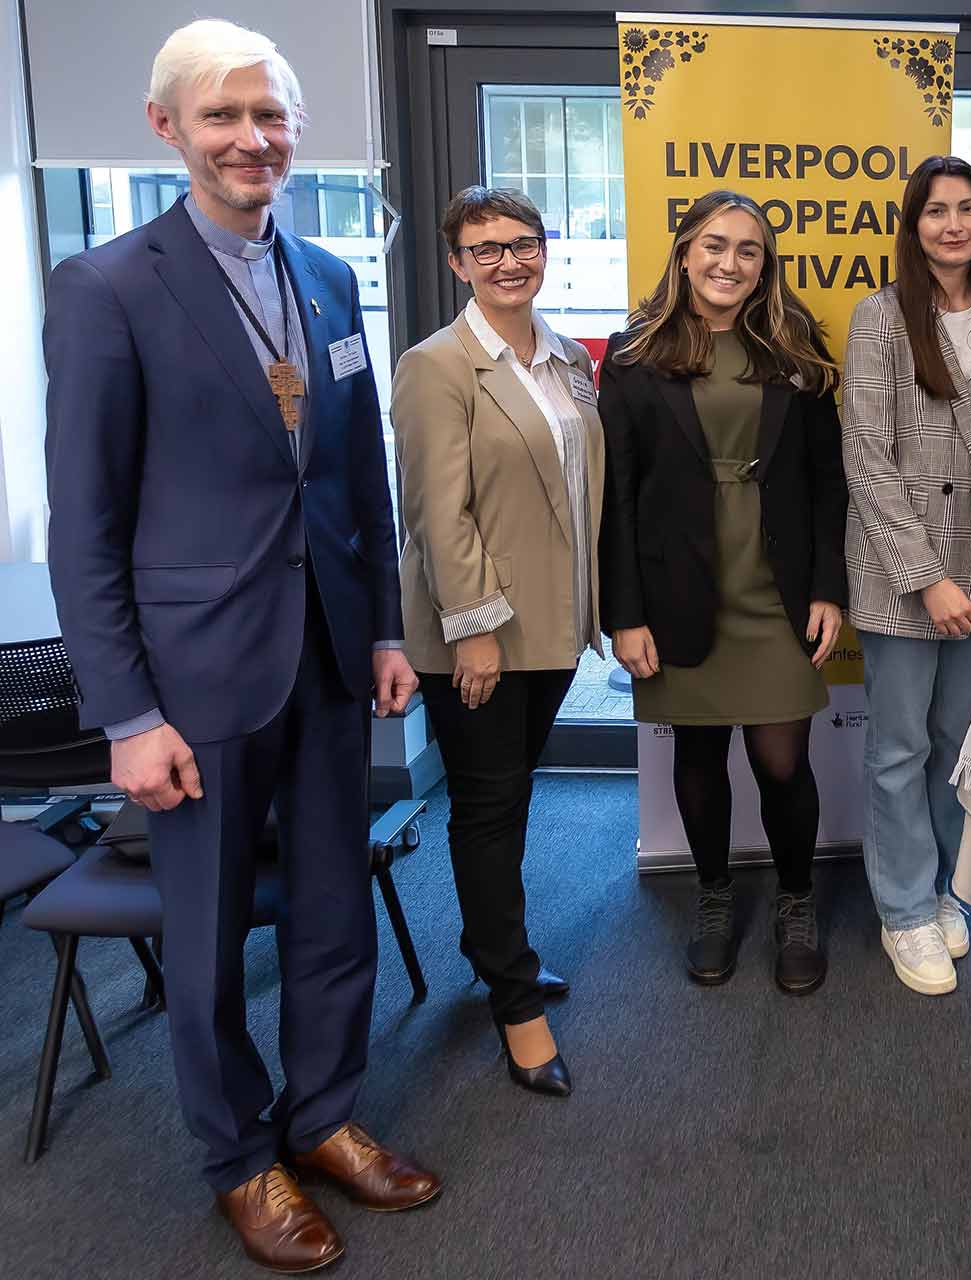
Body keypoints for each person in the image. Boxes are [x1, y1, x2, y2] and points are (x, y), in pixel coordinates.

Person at [42, 20, 440, 1272]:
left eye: (268, 114)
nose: (250, 138)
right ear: (168, 130)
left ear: (296, 127)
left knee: (335, 908)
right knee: (209, 938)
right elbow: (85, 523)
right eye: (221, 117)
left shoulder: (325, 277)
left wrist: (383, 624)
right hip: (195, 678)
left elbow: (357, 474)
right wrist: (126, 714)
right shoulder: (106, 286)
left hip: (328, 650)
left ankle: (323, 1115)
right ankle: (239, 1157)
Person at [599, 191, 847, 994]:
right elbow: (619, 496)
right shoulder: (634, 356)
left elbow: (824, 484)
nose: (729, 263)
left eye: (748, 250)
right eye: (714, 245)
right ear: (683, 253)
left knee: (782, 762)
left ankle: (797, 901)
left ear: (764, 266)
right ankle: (713, 897)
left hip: (773, 584)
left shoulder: (794, 348)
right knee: (700, 754)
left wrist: (827, 588)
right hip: (678, 584)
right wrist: (624, 613)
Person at [391, 186, 604, 1096]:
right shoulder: (436, 366)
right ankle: (516, 1002)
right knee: (486, 809)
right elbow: (439, 515)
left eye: (523, 243)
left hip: (552, 625)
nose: (509, 261)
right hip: (480, 637)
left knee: (510, 801)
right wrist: (472, 632)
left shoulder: (563, 359)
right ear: (457, 264)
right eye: (486, 250)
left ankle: (492, 948)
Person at [844, 155, 971, 996]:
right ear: (914, 225)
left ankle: (933, 892)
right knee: (897, 748)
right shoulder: (882, 318)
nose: (954, 225)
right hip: (903, 580)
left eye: (968, 209)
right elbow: (866, 457)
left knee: (953, 747)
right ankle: (901, 913)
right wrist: (927, 577)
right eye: (936, 211)